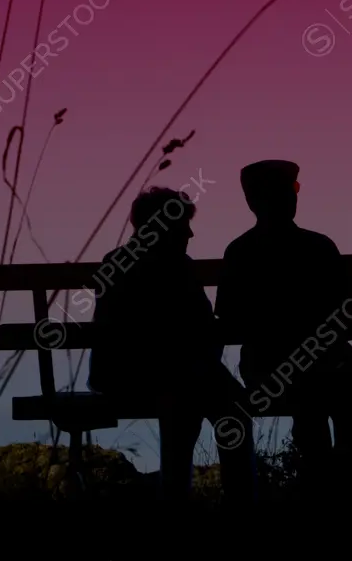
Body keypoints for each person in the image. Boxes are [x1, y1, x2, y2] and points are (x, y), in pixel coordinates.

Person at [88, 186, 257, 502]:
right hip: (154, 377)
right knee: (225, 406)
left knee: (195, 397)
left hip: (135, 375)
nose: (190, 234)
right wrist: (201, 365)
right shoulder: (175, 267)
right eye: (183, 226)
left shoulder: (121, 262)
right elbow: (204, 329)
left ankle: (179, 501)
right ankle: (241, 503)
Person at [215, 160, 352, 480]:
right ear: (256, 200)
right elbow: (351, 304)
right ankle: (348, 478)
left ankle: (323, 475)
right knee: (343, 395)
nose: (293, 197)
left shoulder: (240, 251)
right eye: (289, 190)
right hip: (325, 366)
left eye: (293, 189)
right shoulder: (318, 245)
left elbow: (228, 316)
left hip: (269, 369)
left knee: (320, 394)